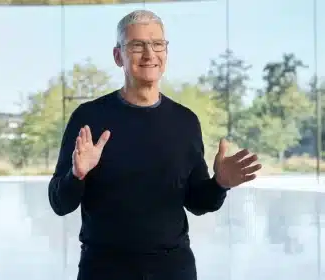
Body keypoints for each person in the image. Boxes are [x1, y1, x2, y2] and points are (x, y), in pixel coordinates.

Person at [48, 9, 262, 280]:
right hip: (103, 269)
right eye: (137, 45)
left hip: (173, 269)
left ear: (166, 53)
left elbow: (197, 202)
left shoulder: (185, 121)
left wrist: (219, 184)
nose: (149, 54)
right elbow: (59, 203)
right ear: (118, 56)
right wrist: (77, 175)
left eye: (157, 44)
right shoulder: (89, 117)